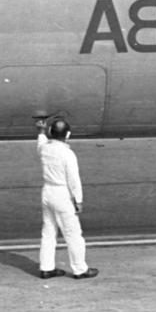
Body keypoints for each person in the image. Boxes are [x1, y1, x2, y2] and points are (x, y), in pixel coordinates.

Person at [35, 117, 98, 280]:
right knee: (73, 234)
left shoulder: (45, 149)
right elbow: (74, 180)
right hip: (62, 194)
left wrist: (41, 132)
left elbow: (40, 144)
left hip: (47, 192)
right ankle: (80, 269)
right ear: (68, 135)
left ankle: (46, 268)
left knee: (48, 232)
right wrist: (78, 200)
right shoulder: (67, 154)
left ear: (51, 132)